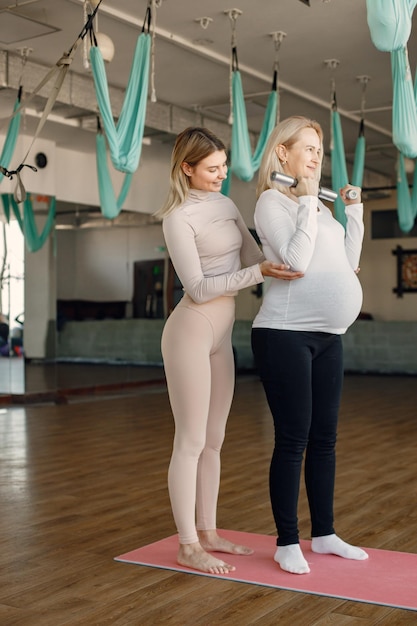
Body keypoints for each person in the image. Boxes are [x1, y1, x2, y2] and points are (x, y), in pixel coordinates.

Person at [155, 126, 303, 575]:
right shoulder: (177, 218)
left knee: (215, 442)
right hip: (191, 330)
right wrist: (259, 271)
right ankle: (187, 544)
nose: (222, 175)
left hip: (222, 335)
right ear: (187, 169)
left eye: (223, 166)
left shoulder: (226, 204)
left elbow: (258, 255)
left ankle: (209, 532)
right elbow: (198, 288)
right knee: (191, 441)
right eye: (212, 169)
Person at [251, 115, 369, 575]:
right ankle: (286, 542)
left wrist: (352, 213)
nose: (318, 156)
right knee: (293, 438)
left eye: (321, 150)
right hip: (284, 334)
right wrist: (303, 202)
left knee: (325, 439)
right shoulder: (271, 203)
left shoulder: (318, 207)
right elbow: (295, 262)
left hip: (329, 337)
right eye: (309, 147)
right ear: (283, 153)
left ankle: (325, 534)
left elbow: (349, 263)